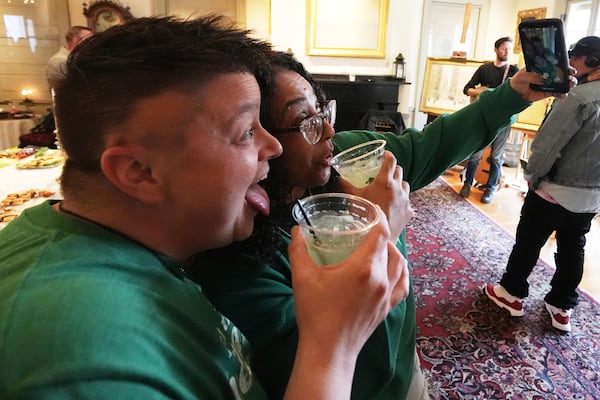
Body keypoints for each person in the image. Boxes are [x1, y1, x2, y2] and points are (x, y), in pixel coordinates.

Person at [0, 16, 410, 399]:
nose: (275, 146)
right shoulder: (83, 359)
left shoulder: (130, 251)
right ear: (139, 171)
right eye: (247, 131)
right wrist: (332, 346)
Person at [191, 50, 562, 399]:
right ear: (260, 139)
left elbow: (431, 145)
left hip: (408, 368)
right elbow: (363, 366)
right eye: (306, 123)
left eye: (324, 112)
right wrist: (380, 226)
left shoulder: (347, 157)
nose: (330, 135)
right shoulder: (242, 256)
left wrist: (511, 95)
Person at [485, 36, 600, 333]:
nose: (570, 62)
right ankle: (562, 307)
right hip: (591, 197)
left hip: (554, 190)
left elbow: (548, 145)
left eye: (574, 55)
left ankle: (511, 293)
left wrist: (533, 178)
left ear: (593, 62)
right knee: (574, 248)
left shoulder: (579, 97)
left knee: (529, 242)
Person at [461, 36, 519, 203]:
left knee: (496, 157)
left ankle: (490, 188)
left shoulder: (514, 71)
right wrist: (485, 92)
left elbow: (517, 95)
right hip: (483, 118)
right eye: (503, 48)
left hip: (503, 120)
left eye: (509, 49)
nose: (507, 51)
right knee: (475, 154)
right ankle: (467, 183)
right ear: (496, 50)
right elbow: (467, 89)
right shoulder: (484, 69)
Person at [45, 25, 92, 92]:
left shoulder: (77, 58)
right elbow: (68, 91)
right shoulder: (59, 61)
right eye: (88, 39)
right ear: (75, 40)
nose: (92, 42)